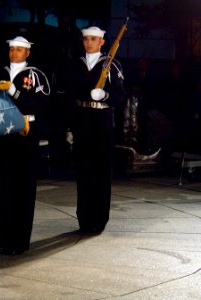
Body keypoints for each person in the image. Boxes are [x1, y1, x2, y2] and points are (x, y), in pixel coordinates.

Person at [0, 36, 50, 255]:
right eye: (12, 49)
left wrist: (16, 93)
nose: (14, 53)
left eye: (19, 50)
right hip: (4, 135)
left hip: (25, 134)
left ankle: (19, 242)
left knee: (23, 189)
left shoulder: (36, 76)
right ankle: (2, 241)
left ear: (28, 52)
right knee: (4, 189)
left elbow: (39, 105)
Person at [63, 26, 125, 234]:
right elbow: (70, 98)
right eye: (86, 39)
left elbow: (120, 96)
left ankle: (99, 219)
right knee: (83, 171)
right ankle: (84, 218)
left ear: (102, 42)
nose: (88, 43)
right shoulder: (75, 65)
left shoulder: (111, 64)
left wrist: (105, 95)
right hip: (82, 120)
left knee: (100, 171)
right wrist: (69, 127)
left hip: (101, 121)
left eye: (93, 39)